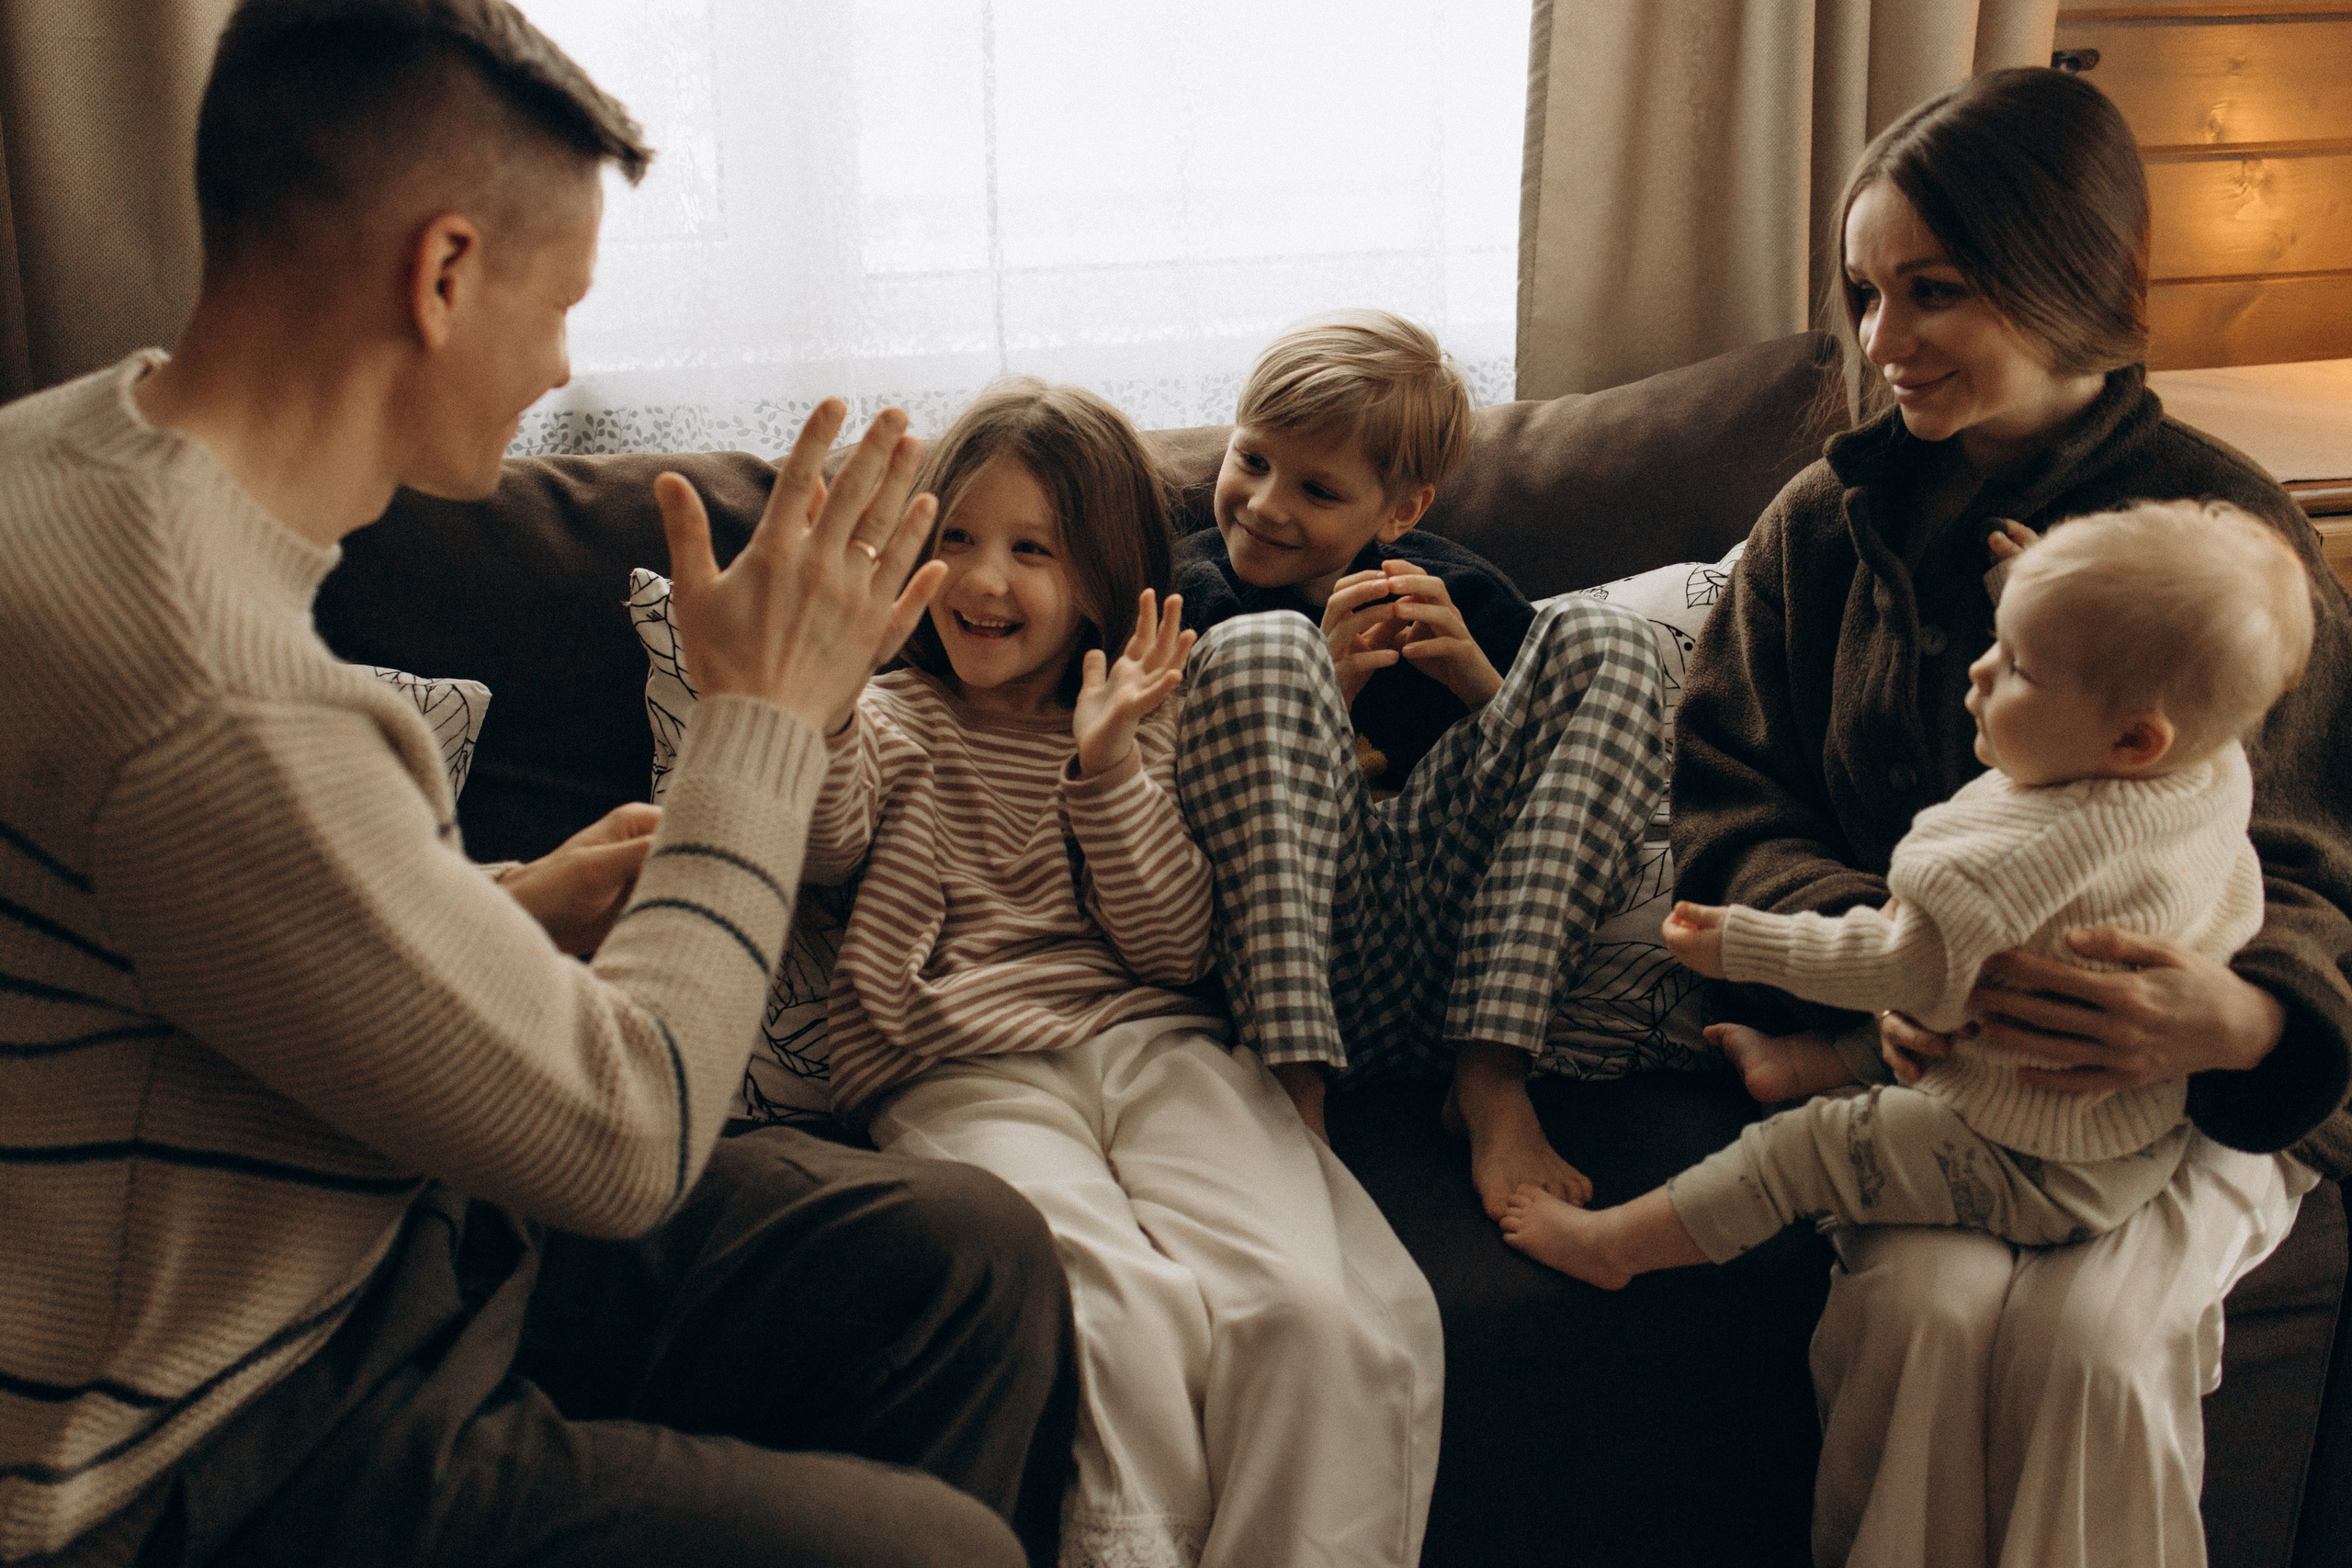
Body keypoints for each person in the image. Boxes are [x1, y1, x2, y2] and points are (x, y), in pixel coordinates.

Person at [0, 5, 1080, 1566]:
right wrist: (759, 724)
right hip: (212, 1429)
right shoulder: (210, 681)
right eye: (563, 301)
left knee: (967, 1250)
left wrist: (505, 907)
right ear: (441, 275)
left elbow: (196, 917)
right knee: (939, 1553)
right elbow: (631, 1136)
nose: (567, 365)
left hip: (354, 1234)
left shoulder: (70, 456)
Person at [1669, 66, 2352, 1568]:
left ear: (2077, 279)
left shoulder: (2226, 543)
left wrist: (2230, 1020)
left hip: (2175, 1073)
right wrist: (1897, 963)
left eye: (1937, 290)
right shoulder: (1817, 532)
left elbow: (2317, 860)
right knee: (1917, 1316)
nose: (1882, 342)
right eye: (1867, 292)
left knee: (2096, 1353)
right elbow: (1724, 807)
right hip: (1935, 1072)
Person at [804, 380, 1444, 1568]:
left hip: (1156, 1043)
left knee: (1311, 1308)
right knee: (1121, 1310)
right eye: (958, 542)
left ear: (1098, 577)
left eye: (1030, 551)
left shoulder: (1142, 716)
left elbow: (1172, 944)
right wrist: (829, 692)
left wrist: (1106, 772)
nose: (986, 580)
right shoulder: (893, 717)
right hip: (963, 1064)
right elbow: (826, 836)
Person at [1501, 500, 2313, 1286]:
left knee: (1804, 1151)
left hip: (2038, 1161)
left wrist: (1738, 940)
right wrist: (2042, 594)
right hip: (2128, 1120)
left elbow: (1889, 964)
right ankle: (1803, 1062)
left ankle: (1614, 1247)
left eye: (2019, 665)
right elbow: (2121, 674)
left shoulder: (2004, 864)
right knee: (1971, 998)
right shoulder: (2208, 768)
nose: (1981, 669)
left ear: (2133, 739)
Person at [1172, 310, 1669, 1217]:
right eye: (1250, 460)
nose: (1265, 504)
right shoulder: (1191, 593)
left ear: (1398, 512)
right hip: (1307, 952)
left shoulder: (1456, 591)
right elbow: (1168, 798)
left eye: (1318, 492)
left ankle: (1490, 1079)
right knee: (1262, 651)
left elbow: (1565, 783)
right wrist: (1319, 692)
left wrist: (1481, 684)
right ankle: (1294, 1094)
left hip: (1471, 955)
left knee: (1611, 642)